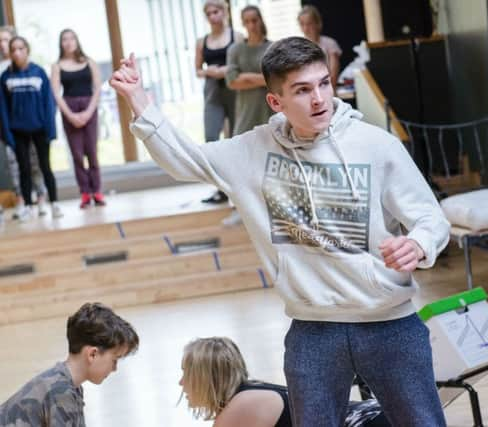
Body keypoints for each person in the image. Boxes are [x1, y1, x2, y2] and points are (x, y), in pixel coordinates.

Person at [111, 36, 450, 426]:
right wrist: (139, 100)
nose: (320, 98)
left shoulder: (376, 145)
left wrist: (418, 244)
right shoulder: (252, 151)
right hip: (313, 329)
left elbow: (431, 218)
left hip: (389, 322)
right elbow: (185, 159)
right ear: (276, 102)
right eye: (302, 90)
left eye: (323, 83)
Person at [179, 336, 390, 427]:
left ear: (203, 378)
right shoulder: (249, 394)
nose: (181, 383)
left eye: (185, 375)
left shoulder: (242, 405)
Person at [0, 302, 139, 426]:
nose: (115, 368)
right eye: (115, 360)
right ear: (92, 354)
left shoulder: (69, 386)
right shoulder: (61, 392)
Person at [0, 36, 62, 221]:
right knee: (24, 169)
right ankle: (27, 205)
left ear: (27, 50)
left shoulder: (39, 72)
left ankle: (55, 204)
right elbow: (2, 108)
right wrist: (7, 135)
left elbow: (48, 103)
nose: (17, 52)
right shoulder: (6, 77)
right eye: (14, 49)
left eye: (21, 48)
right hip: (18, 131)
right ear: (10, 53)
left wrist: (50, 130)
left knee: (45, 167)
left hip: (40, 129)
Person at [222, 5, 272, 225]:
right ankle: (242, 210)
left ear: (261, 20)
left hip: (270, 113)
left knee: (269, 164)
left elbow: (276, 79)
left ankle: (269, 212)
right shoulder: (235, 50)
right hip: (245, 114)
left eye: (255, 20)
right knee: (242, 164)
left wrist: (247, 78)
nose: (252, 25)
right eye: (248, 21)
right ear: (243, 23)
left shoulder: (273, 48)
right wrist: (261, 78)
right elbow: (232, 81)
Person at [50, 29, 105, 209]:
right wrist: (71, 115)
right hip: (69, 108)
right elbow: (57, 94)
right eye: (64, 39)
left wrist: (89, 111)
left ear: (77, 41)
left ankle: (97, 191)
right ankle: (85, 193)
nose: (68, 42)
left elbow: (97, 89)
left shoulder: (90, 62)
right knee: (77, 154)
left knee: (92, 152)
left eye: (71, 38)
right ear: (61, 43)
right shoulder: (57, 66)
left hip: (89, 106)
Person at [196, 0, 243, 204]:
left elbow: (241, 64)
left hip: (233, 89)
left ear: (224, 12)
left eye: (216, 11)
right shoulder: (202, 41)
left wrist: (226, 71)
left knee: (235, 139)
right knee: (211, 137)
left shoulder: (237, 36)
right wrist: (209, 71)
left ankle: (239, 187)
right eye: (209, 13)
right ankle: (220, 188)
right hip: (212, 91)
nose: (213, 16)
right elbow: (197, 69)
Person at [298, 5, 342, 91]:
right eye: (302, 24)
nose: (306, 28)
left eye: (309, 23)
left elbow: (333, 75)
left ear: (318, 23)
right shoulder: (298, 48)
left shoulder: (330, 43)